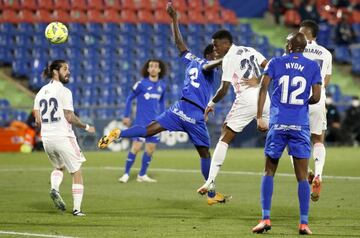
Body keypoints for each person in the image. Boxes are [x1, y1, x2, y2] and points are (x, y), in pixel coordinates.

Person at [98, 2, 229, 205]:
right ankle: (211, 195)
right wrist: (221, 61)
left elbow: (178, 42)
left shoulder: (191, 60)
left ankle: (118, 134)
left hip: (178, 109)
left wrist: (174, 19)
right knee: (205, 153)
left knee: (149, 130)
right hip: (194, 115)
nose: (220, 56)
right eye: (218, 54)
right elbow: (210, 64)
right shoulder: (207, 64)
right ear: (211, 54)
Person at [252, 32, 321, 235]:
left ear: (289, 46)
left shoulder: (275, 62)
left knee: (269, 171)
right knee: (301, 176)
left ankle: (265, 218)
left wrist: (259, 116)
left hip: (278, 124)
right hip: (300, 125)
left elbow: (263, 88)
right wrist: (301, 105)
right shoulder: (312, 66)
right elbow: (316, 96)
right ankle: (304, 223)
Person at [197, 29, 270, 195]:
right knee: (278, 134)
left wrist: (211, 103)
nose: (215, 49)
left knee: (225, 136)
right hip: (265, 98)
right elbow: (270, 66)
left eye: (216, 46)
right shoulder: (250, 49)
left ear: (225, 43)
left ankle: (210, 181)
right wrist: (259, 79)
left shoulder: (229, 57)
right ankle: (306, 169)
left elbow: (223, 89)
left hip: (246, 99)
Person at [33, 60, 96, 216]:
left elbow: (37, 118)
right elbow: (69, 116)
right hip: (63, 137)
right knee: (76, 172)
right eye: (65, 69)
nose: (69, 72)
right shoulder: (65, 92)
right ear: (56, 71)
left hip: (47, 139)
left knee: (59, 166)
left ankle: (55, 188)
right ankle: (77, 209)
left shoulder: (41, 91)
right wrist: (86, 127)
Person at [294, 20, 333, 202]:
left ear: (303, 34)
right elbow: (326, 80)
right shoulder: (326, 53)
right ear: (315, 36)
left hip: (296, 100)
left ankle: (307, 171)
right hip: (317, 99)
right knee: (318, 139)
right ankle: (318, 174)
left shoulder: (295, 49)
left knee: (290, 137)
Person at [118, 59, 167, 183]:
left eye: (156, 66)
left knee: (150, 149)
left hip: (155, 124)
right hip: (141, 123)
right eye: (151, 66)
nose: (153, 68)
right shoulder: (141, 84)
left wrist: (164, 118)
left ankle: (142, 175)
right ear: (148, 69)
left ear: (160, 69)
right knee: (136, 147)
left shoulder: (162, 85)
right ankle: (126, 174)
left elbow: (162, 103)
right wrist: (126, 116)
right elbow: (129, 99)